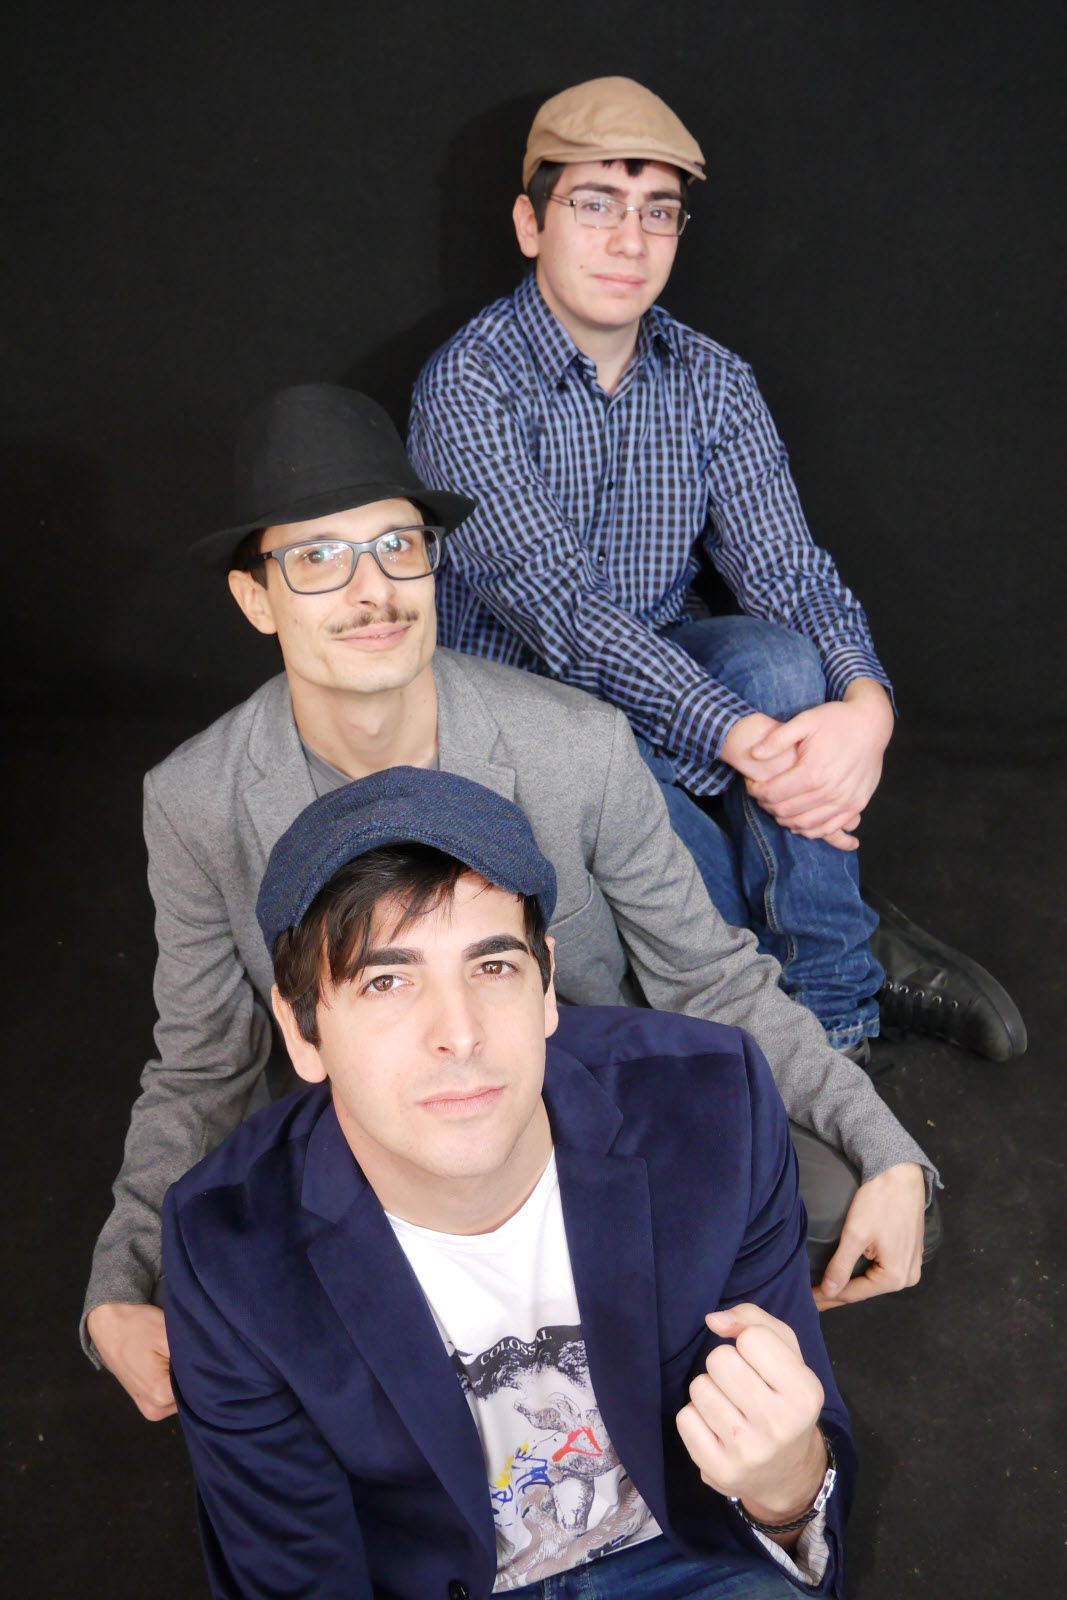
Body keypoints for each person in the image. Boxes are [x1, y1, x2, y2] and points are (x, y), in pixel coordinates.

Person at [83, 383, 935, 1424]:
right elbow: (202, 1065)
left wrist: (884, 1144)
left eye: (397, 546)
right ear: (256, 598)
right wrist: (123, 1280)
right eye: (317, 558)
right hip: (385, 1144)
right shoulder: (195, 800)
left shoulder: (575, 744)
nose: (371, 589)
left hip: (581, 1104)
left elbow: (708, 976)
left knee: (838, 1200)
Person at [408, 74, 1026, 1063]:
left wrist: (867, 710)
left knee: (783, 661)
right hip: (519, 707)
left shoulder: (711, 379)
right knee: (618, 764)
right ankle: (831, 976)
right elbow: (561, 614)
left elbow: (788, 570)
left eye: (657, 212)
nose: (628, 240)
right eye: (595, 205)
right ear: (530, 224)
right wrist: (738, 734)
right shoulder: (467, 386)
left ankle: (830, 1003)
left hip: (663, 663)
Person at [164, 765, 853, 1597]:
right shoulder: (227, 1252)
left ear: (546, 985)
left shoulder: (710, 1107)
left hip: (689, 1545)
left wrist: (785, 1485)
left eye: (492, 967)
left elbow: (800, 1481)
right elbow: (296, 1580)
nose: (459, 1034)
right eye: (386, 981)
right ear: (302, 1032)